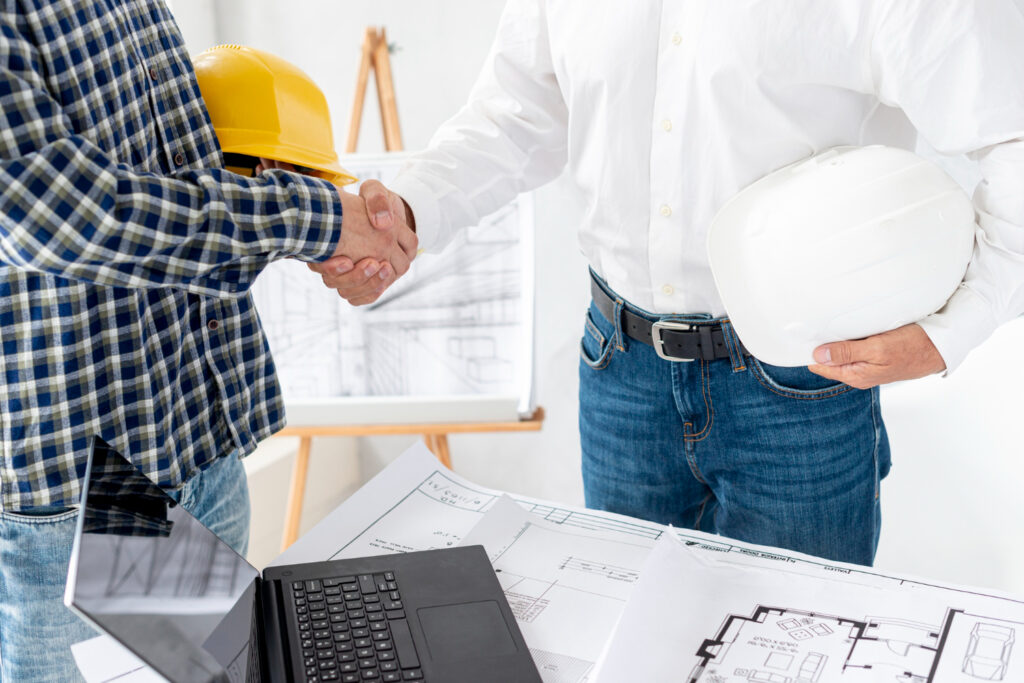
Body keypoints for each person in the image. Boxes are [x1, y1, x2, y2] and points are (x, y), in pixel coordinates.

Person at [314, 0, 1024, 565]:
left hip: (799, 388)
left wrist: (952, 331)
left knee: (798, 643)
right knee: (630, 645)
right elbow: (517, 114)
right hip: (619, 372)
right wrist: (407, 212)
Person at [0, 4, 415, 681]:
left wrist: (304, 194)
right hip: (79, 499)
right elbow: (55, 210)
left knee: (222, 672)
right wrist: (313, 219)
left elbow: (159, 154)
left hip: (201, 447)